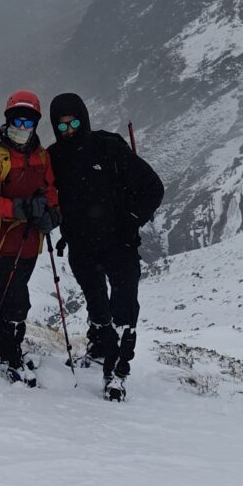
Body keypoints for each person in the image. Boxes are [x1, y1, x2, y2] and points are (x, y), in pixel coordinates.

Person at [47, 92, 164, 401]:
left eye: (73, 123)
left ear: (83, 120)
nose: (69, 130)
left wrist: (131, 221)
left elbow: (153, 188)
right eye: (61, 127)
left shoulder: (109, 148)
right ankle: (100, 347)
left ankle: (117, 372)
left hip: (119, 243)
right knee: (98, 305)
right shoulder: (54, 157)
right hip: (81, 246)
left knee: (125, 307)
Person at [0, 90, 60, 386]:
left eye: (28, 121)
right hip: (1, 241)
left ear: (35, 123)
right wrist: (20, 208)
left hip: (31, 242)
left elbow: (51, 192)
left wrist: (52, 214)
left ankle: (5, 347)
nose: (22, 127)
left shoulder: (42, 156)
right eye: (17, 120)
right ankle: (7, 352)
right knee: (17, 298)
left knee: (11, 294)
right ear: (8, 120)